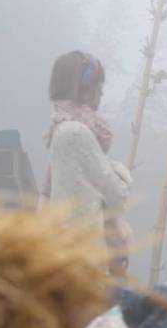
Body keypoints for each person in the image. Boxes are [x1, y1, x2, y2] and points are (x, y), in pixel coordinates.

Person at [41, 50, 132, 278]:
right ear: (84, 91)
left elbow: (47, 191)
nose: (101, 98)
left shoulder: (60, 129)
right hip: (85, 256)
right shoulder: (76, 133)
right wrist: (121, 171)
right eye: (98, 90)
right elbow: (116, 193)